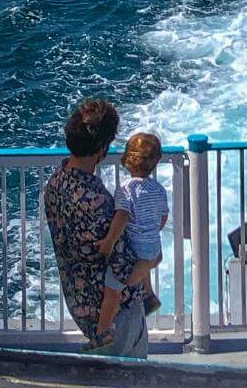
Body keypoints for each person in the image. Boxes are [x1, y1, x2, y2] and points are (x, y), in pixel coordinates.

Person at [43, 99, 148, 358]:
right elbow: (124, 266)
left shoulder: (55, 184)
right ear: (102, 148)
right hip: (114, 316)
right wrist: (151, 257)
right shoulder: (96, 202)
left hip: (82, 307)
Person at [90, 132, 169, 349]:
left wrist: (108, 242)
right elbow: (162, 218)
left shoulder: (125, 189)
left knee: (112, 289)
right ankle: (150, 295)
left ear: (128, 160)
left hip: (135, 249)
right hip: (153, 247)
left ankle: (101, 332)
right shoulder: (159, 189)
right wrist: (150, 231)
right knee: (145, 265)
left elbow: (121, 218)